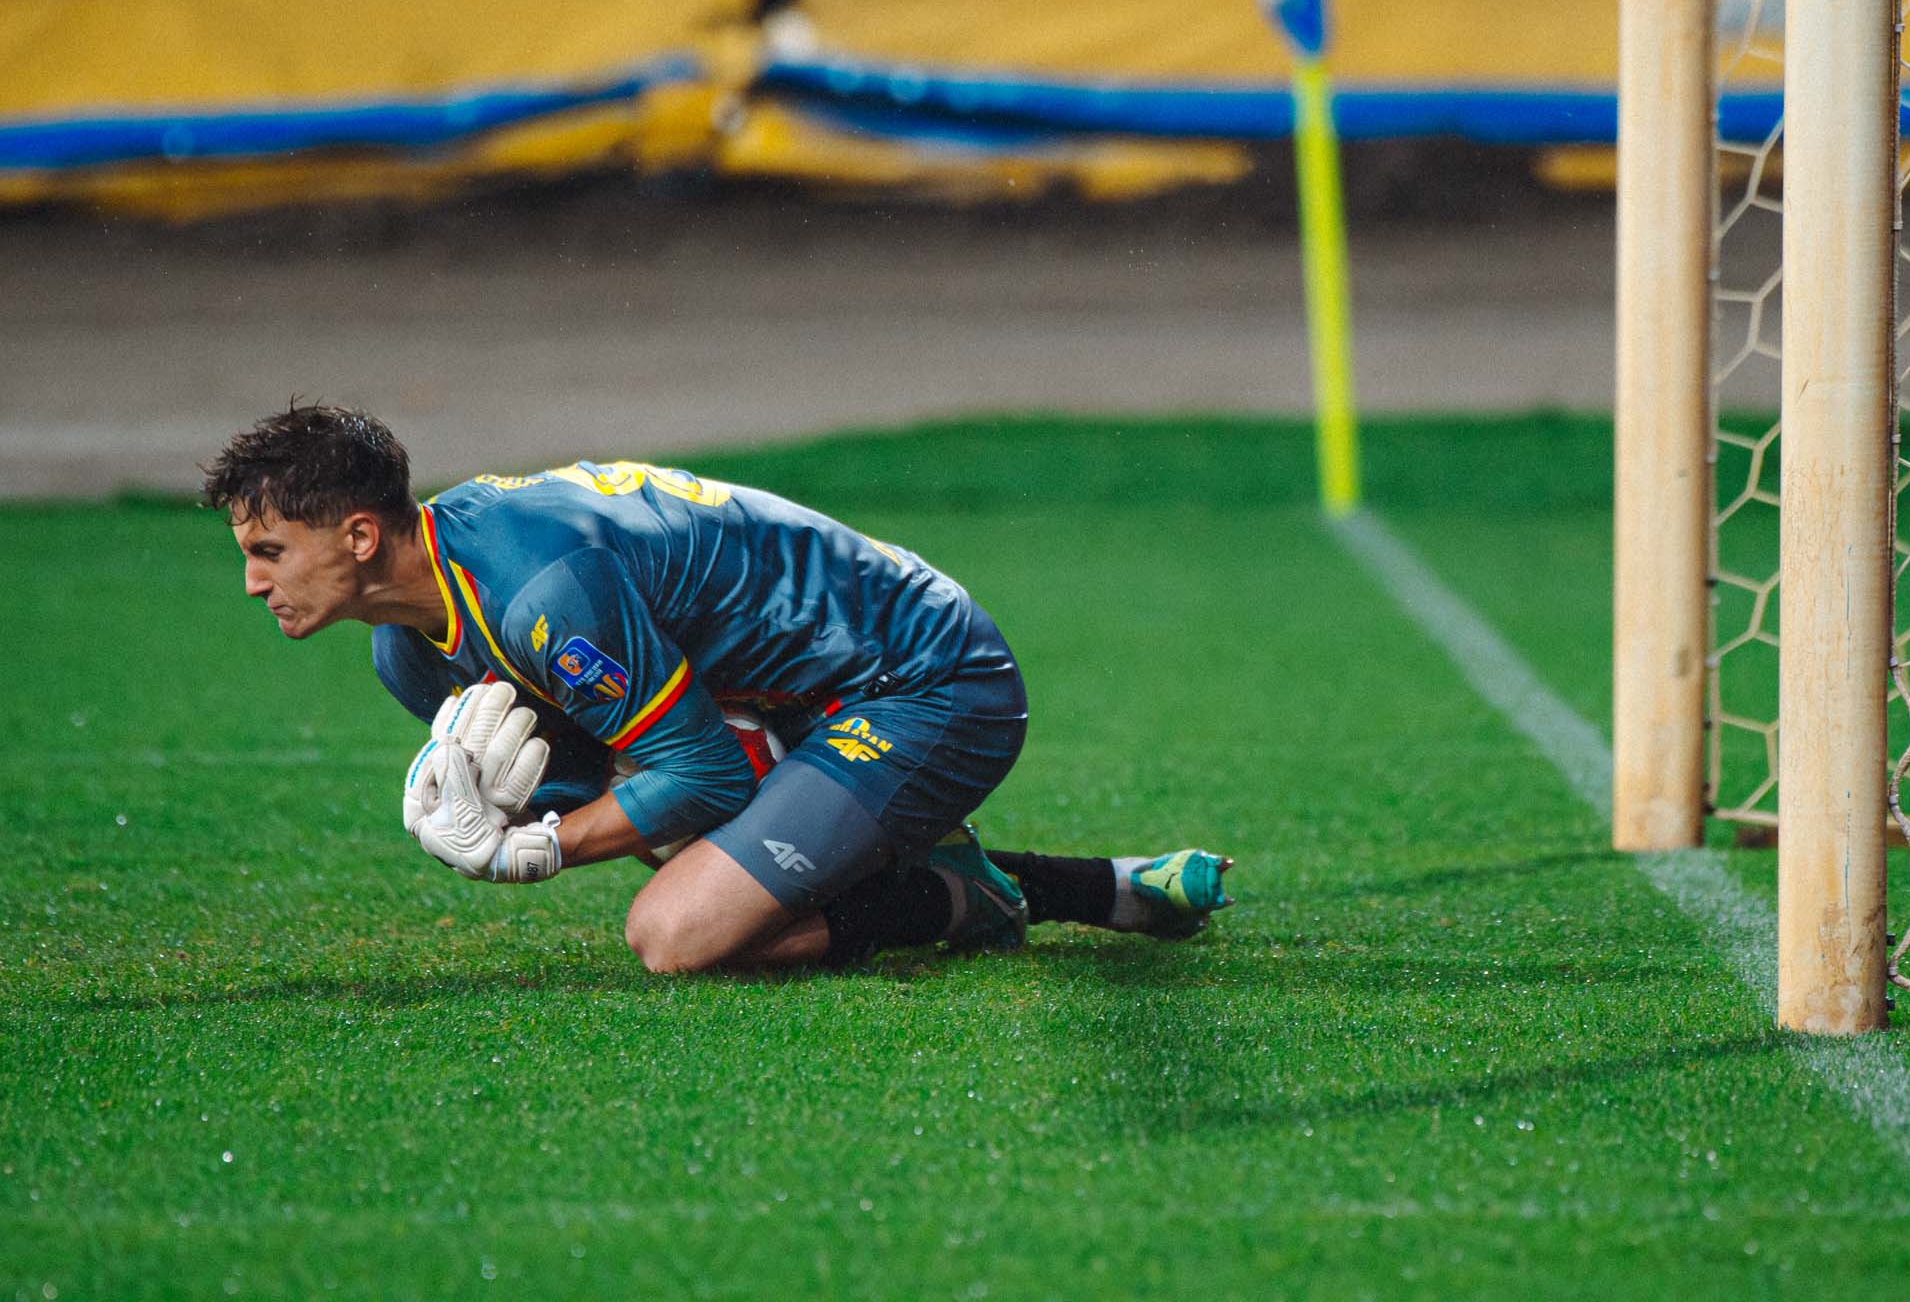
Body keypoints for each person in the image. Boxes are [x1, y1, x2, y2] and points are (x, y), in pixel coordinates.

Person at [202, 403, 1232, 973]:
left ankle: (975, 894)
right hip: (789, 702)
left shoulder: (538, 593)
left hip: (926, 678)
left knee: (677, 933)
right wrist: (524, 812)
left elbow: (697, 774)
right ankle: (1085, 886)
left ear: (360, 535)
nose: (251, 581)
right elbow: (625, 778)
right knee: (688, 850)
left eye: (268, 550)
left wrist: (532, 850)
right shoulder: (411, 651)